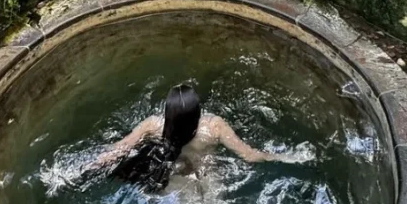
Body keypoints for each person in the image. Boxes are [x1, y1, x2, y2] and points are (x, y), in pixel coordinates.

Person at [90, 83, 288, 191]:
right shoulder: (213, 126)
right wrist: (284, 157)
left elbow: (119, 149)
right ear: (197, 112)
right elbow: (249, 156)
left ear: (168, 111)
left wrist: (88, 167)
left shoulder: (152, 125)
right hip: (205, 181)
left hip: (169, 182)